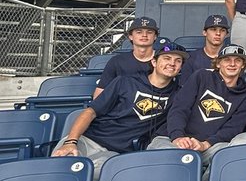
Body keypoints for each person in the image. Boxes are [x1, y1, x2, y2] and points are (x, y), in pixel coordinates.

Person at [53, 41, 185, 173]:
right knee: (60, 166)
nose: (172, 63)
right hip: (88, 140)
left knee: (94, 174)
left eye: (178, 60)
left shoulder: (179, 95)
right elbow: (90, 112)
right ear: (154, 62)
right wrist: (71, 141)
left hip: (114, 153)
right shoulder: (125, 82)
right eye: (167, 58)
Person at [147, 43, 246, 172]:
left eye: (237, 60)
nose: (232, 64)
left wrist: (205, 144)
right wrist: (178, 137)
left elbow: (233, 128)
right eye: (227, 60)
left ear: (243, 65)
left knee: (228, 157)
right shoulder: (202, 76)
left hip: (209, 146)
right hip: (172, 139)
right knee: (171, 157)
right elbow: (180, 108)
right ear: (218, 63)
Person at [93, 15, 159, 96]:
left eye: (149, 32)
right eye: (139, 32)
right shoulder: (117, 61)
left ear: (155, 36)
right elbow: (99, 93)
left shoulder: (163, 60)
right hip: (123, 106)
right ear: (130, 36)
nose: (144, 35)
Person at [181, 14, 230, 79]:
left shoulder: (231, 59)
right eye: (213, 29)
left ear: (226, 34)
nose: (218, 33)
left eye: (222, 30)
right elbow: (185, 86)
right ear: (204, 32)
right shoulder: (192, 58)